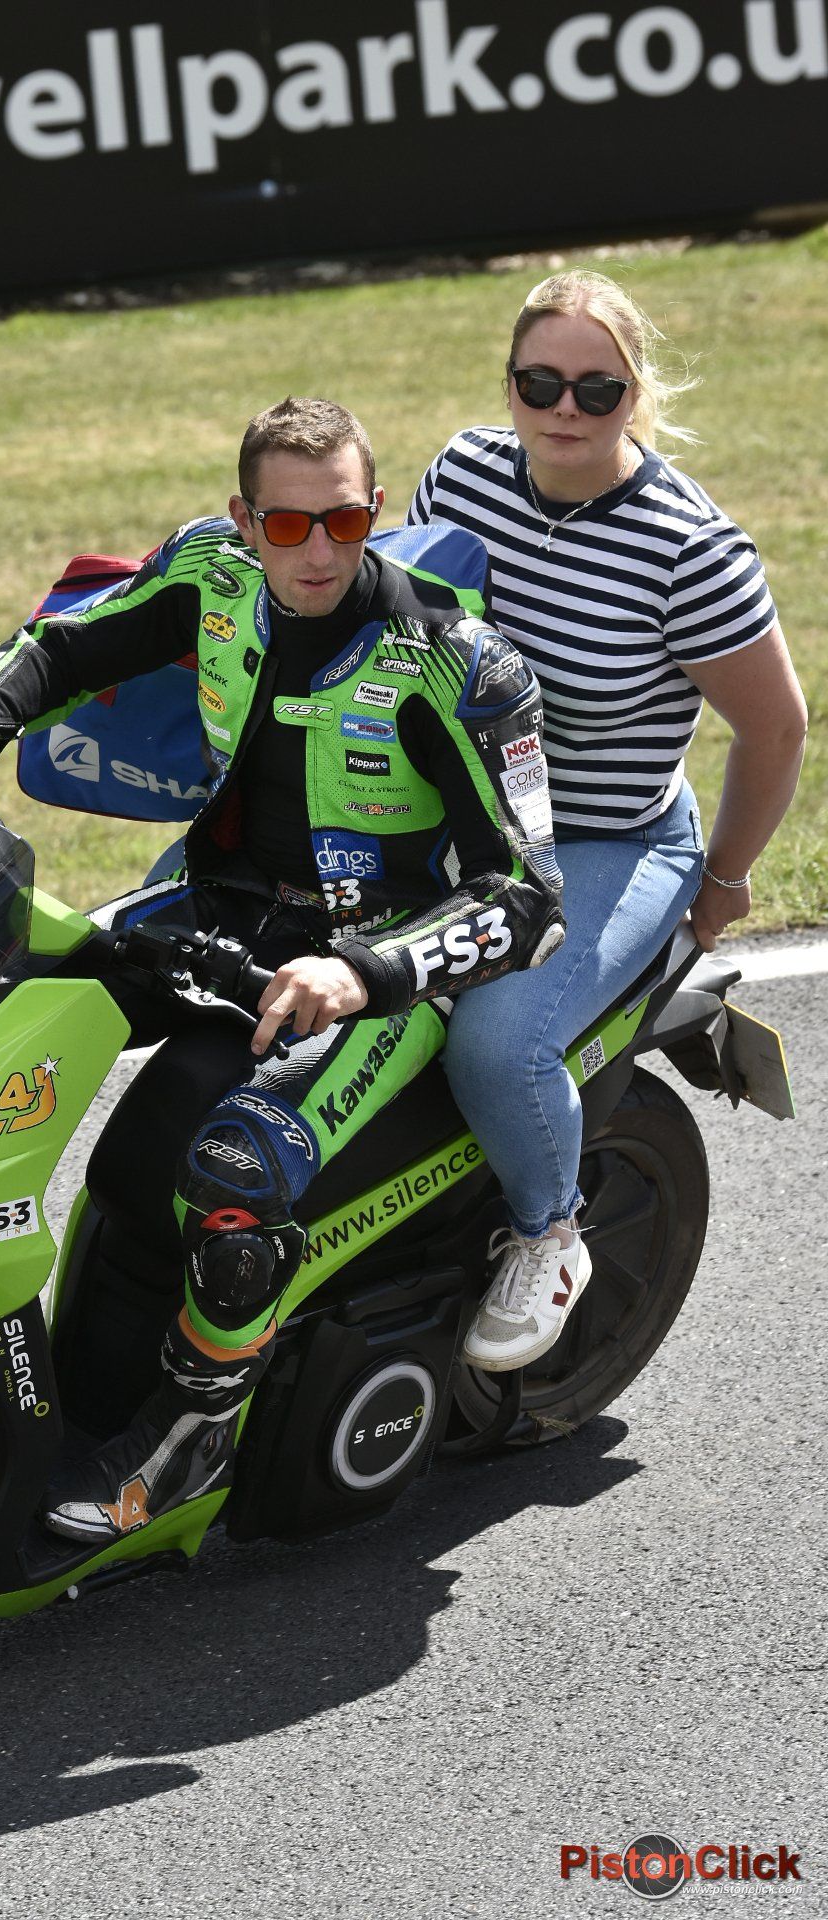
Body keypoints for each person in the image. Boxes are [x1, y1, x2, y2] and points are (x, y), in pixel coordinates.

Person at [0, 396, 566, 1544]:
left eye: (341, 523)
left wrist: (370, 975)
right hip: (217, 907)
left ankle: (190, 1437)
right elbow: (61, 647)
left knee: (232, 1167)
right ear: (244, 519)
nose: (315, 552)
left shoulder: (456, 662)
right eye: (286, 527)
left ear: (373, 513)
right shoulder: (207, 566)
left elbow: (531, 899)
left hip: (374, 958)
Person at [406, 270, 807, 1374]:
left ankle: (547, 1230)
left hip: (608, 842)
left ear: (635, 395)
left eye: (597, 389)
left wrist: (721, 882)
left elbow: (774, 732)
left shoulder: (689, 551)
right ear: (510, 384)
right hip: (455, 822)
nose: (565, 410)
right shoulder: (462, 473)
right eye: (541, 383)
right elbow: (397, 629)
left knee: (498, 1043)